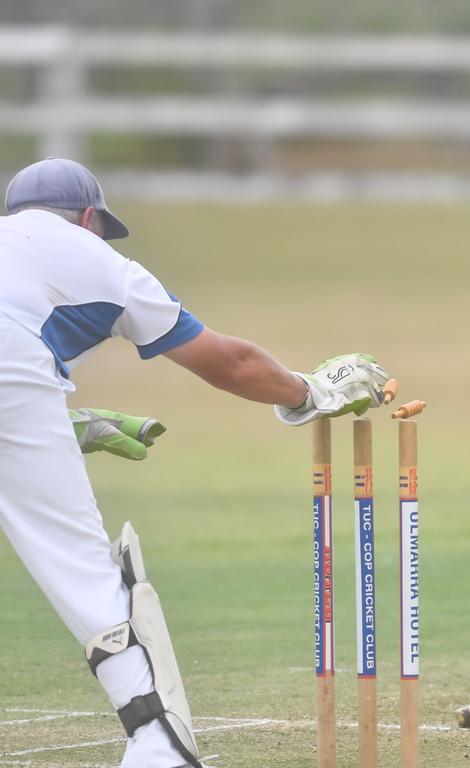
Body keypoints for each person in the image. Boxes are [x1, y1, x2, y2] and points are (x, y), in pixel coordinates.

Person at [0, 157, 393, 767]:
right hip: (13, 379)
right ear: (86, 218)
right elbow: (229, 363)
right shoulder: (101, 261)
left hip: (16, 386)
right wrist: (310, 392)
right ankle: (159, 746)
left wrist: (61, 425)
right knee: (85, 570)